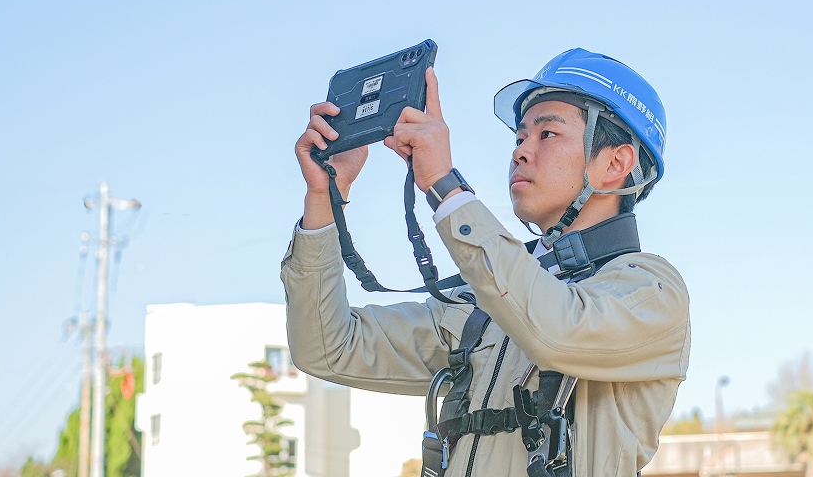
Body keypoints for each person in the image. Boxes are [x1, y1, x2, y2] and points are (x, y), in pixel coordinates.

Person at [281, 48, 691, 477]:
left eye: (546, 134)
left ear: (616, 163)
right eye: (519, 138)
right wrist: (323, 199)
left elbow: (556, 330)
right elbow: (326, 348)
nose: (521, 153)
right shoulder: (486, 301)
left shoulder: (652, 290)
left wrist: (445, 186)